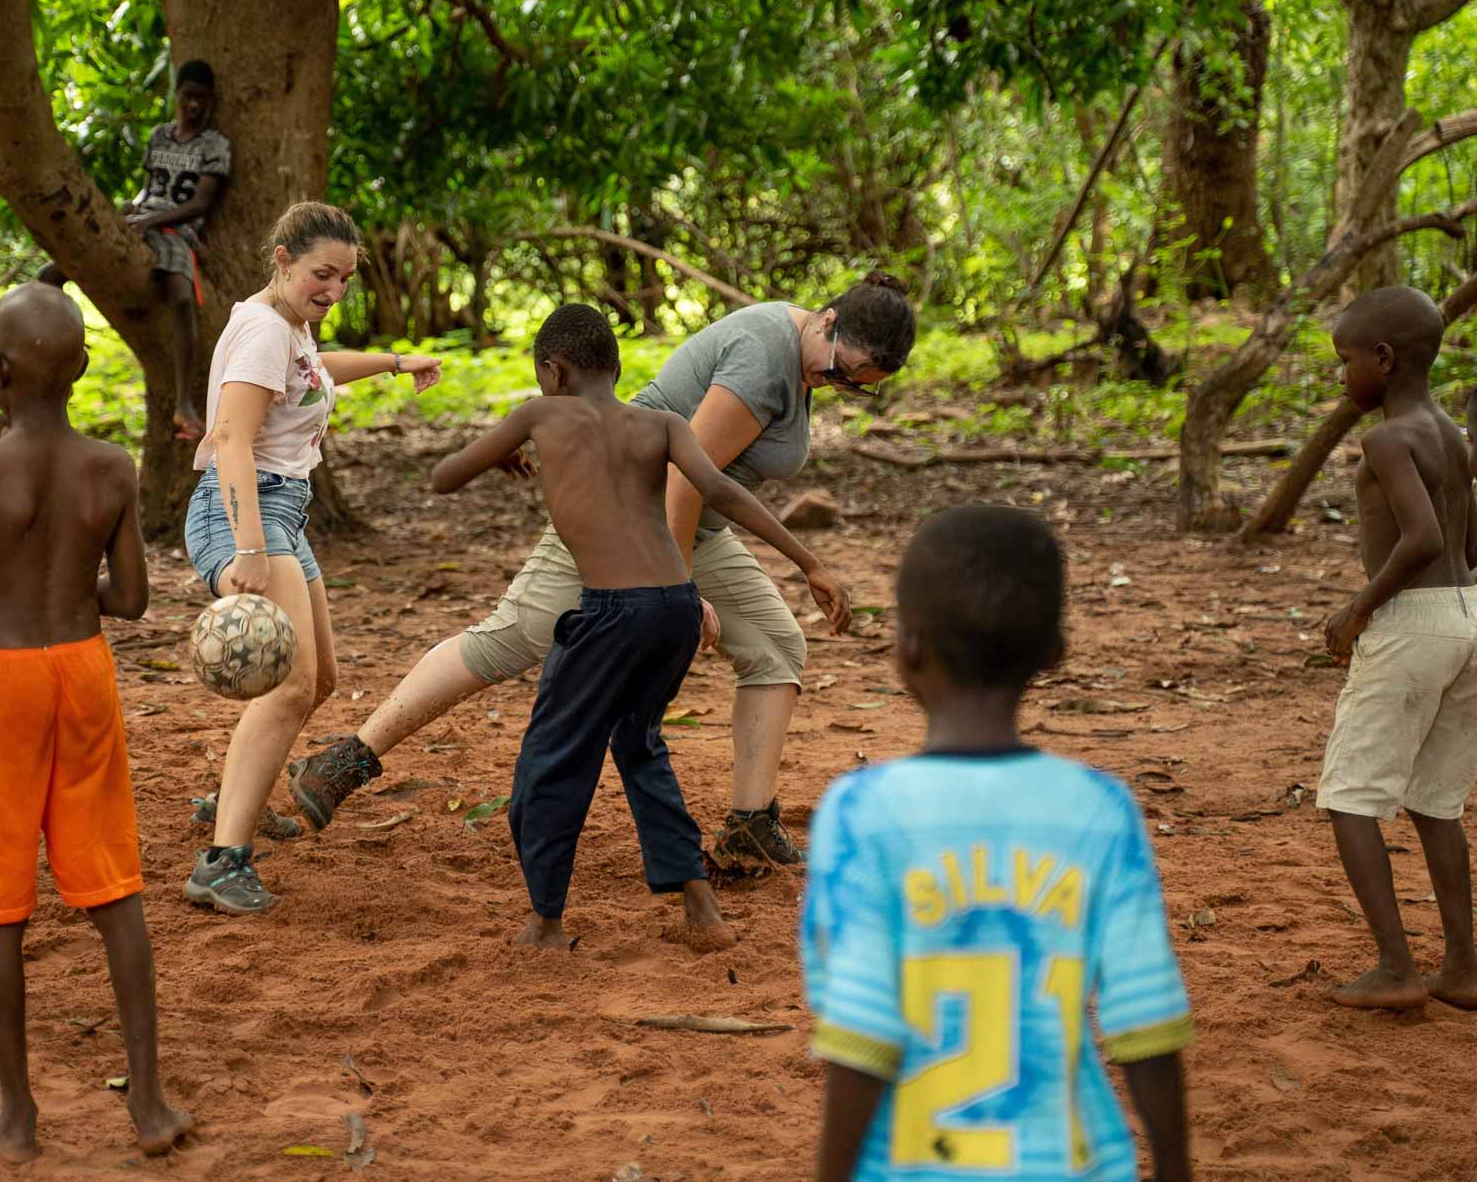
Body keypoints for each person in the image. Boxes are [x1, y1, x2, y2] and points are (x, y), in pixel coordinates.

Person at [292, 274, 916, 868]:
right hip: (616, 505)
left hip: (688, 524)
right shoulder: (762, 356)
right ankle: (350, 758)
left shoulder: (804, 353)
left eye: (857, 384)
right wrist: (679, 589)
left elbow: (711, 493)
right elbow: (681, 479)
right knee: (515, 637)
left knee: (777, 646)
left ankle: (750, 825)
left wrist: (806, 563)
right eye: (839, 367)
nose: (837, 382)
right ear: (826, 320)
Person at [431, 305, 842, 950]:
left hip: (608, 615)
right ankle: (699, 904)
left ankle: (544, 920)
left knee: (550, 763)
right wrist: (809, 562)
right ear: (617, 369)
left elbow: (443, 477)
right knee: (638, 743)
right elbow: (724, 493)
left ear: (551, 370)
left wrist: (502, 452)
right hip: (677, 606)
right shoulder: (664, 422)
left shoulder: (540, 414)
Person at [803, 504, 1193, 1182]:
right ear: (1055, 652)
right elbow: (1145, 1024)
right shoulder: (1101, 810)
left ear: (908, 646)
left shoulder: (862, 811)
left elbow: (863, 1033)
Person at [0, 284, 192, 1162]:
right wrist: (76, 593)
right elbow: (133, 599)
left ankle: (19, 1119)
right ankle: (146, 1103)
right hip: (84, 672)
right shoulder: (111, 466)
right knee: (113, 889)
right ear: (82, 370)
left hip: (2, 682)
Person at [180, 200, 442, 914]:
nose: (334, 290)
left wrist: (394, 361)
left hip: (280, 510)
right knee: (290, 687)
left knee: (318, 677)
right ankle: (221, 861)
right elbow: (231, 438)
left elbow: (313, 371)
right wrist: (249, 549)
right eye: (322, 275)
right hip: (246, 511)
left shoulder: (285, 326)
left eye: (346, 279)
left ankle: (233, 798)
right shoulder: (266, 329)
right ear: (283, 260)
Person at [1317, 286, 1477, 1011]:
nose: (1340, 376)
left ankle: (1396, 968)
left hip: (1412, 624)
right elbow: (1466, 545)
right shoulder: (1450, 433)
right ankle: (1464, 970)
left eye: (1344, 361)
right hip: (1466, 614)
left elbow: (1424, 538)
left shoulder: (1387, 437)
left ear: (1382, 359)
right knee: (1436, 804)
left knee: (1351, 797)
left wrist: (1357, 609)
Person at [41, 59, 229, 442]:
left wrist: (151, 222)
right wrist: (132, 209)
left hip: (177, 229)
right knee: (52, 273)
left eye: (202, 100)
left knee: (180, 296)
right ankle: (60, 357)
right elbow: (149, 187)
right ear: (177, 96)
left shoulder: (215, 145)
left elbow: (200, 204)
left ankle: (183, 402)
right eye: (189, 97)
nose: (195, 106)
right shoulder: (160, 136)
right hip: (143, 220)